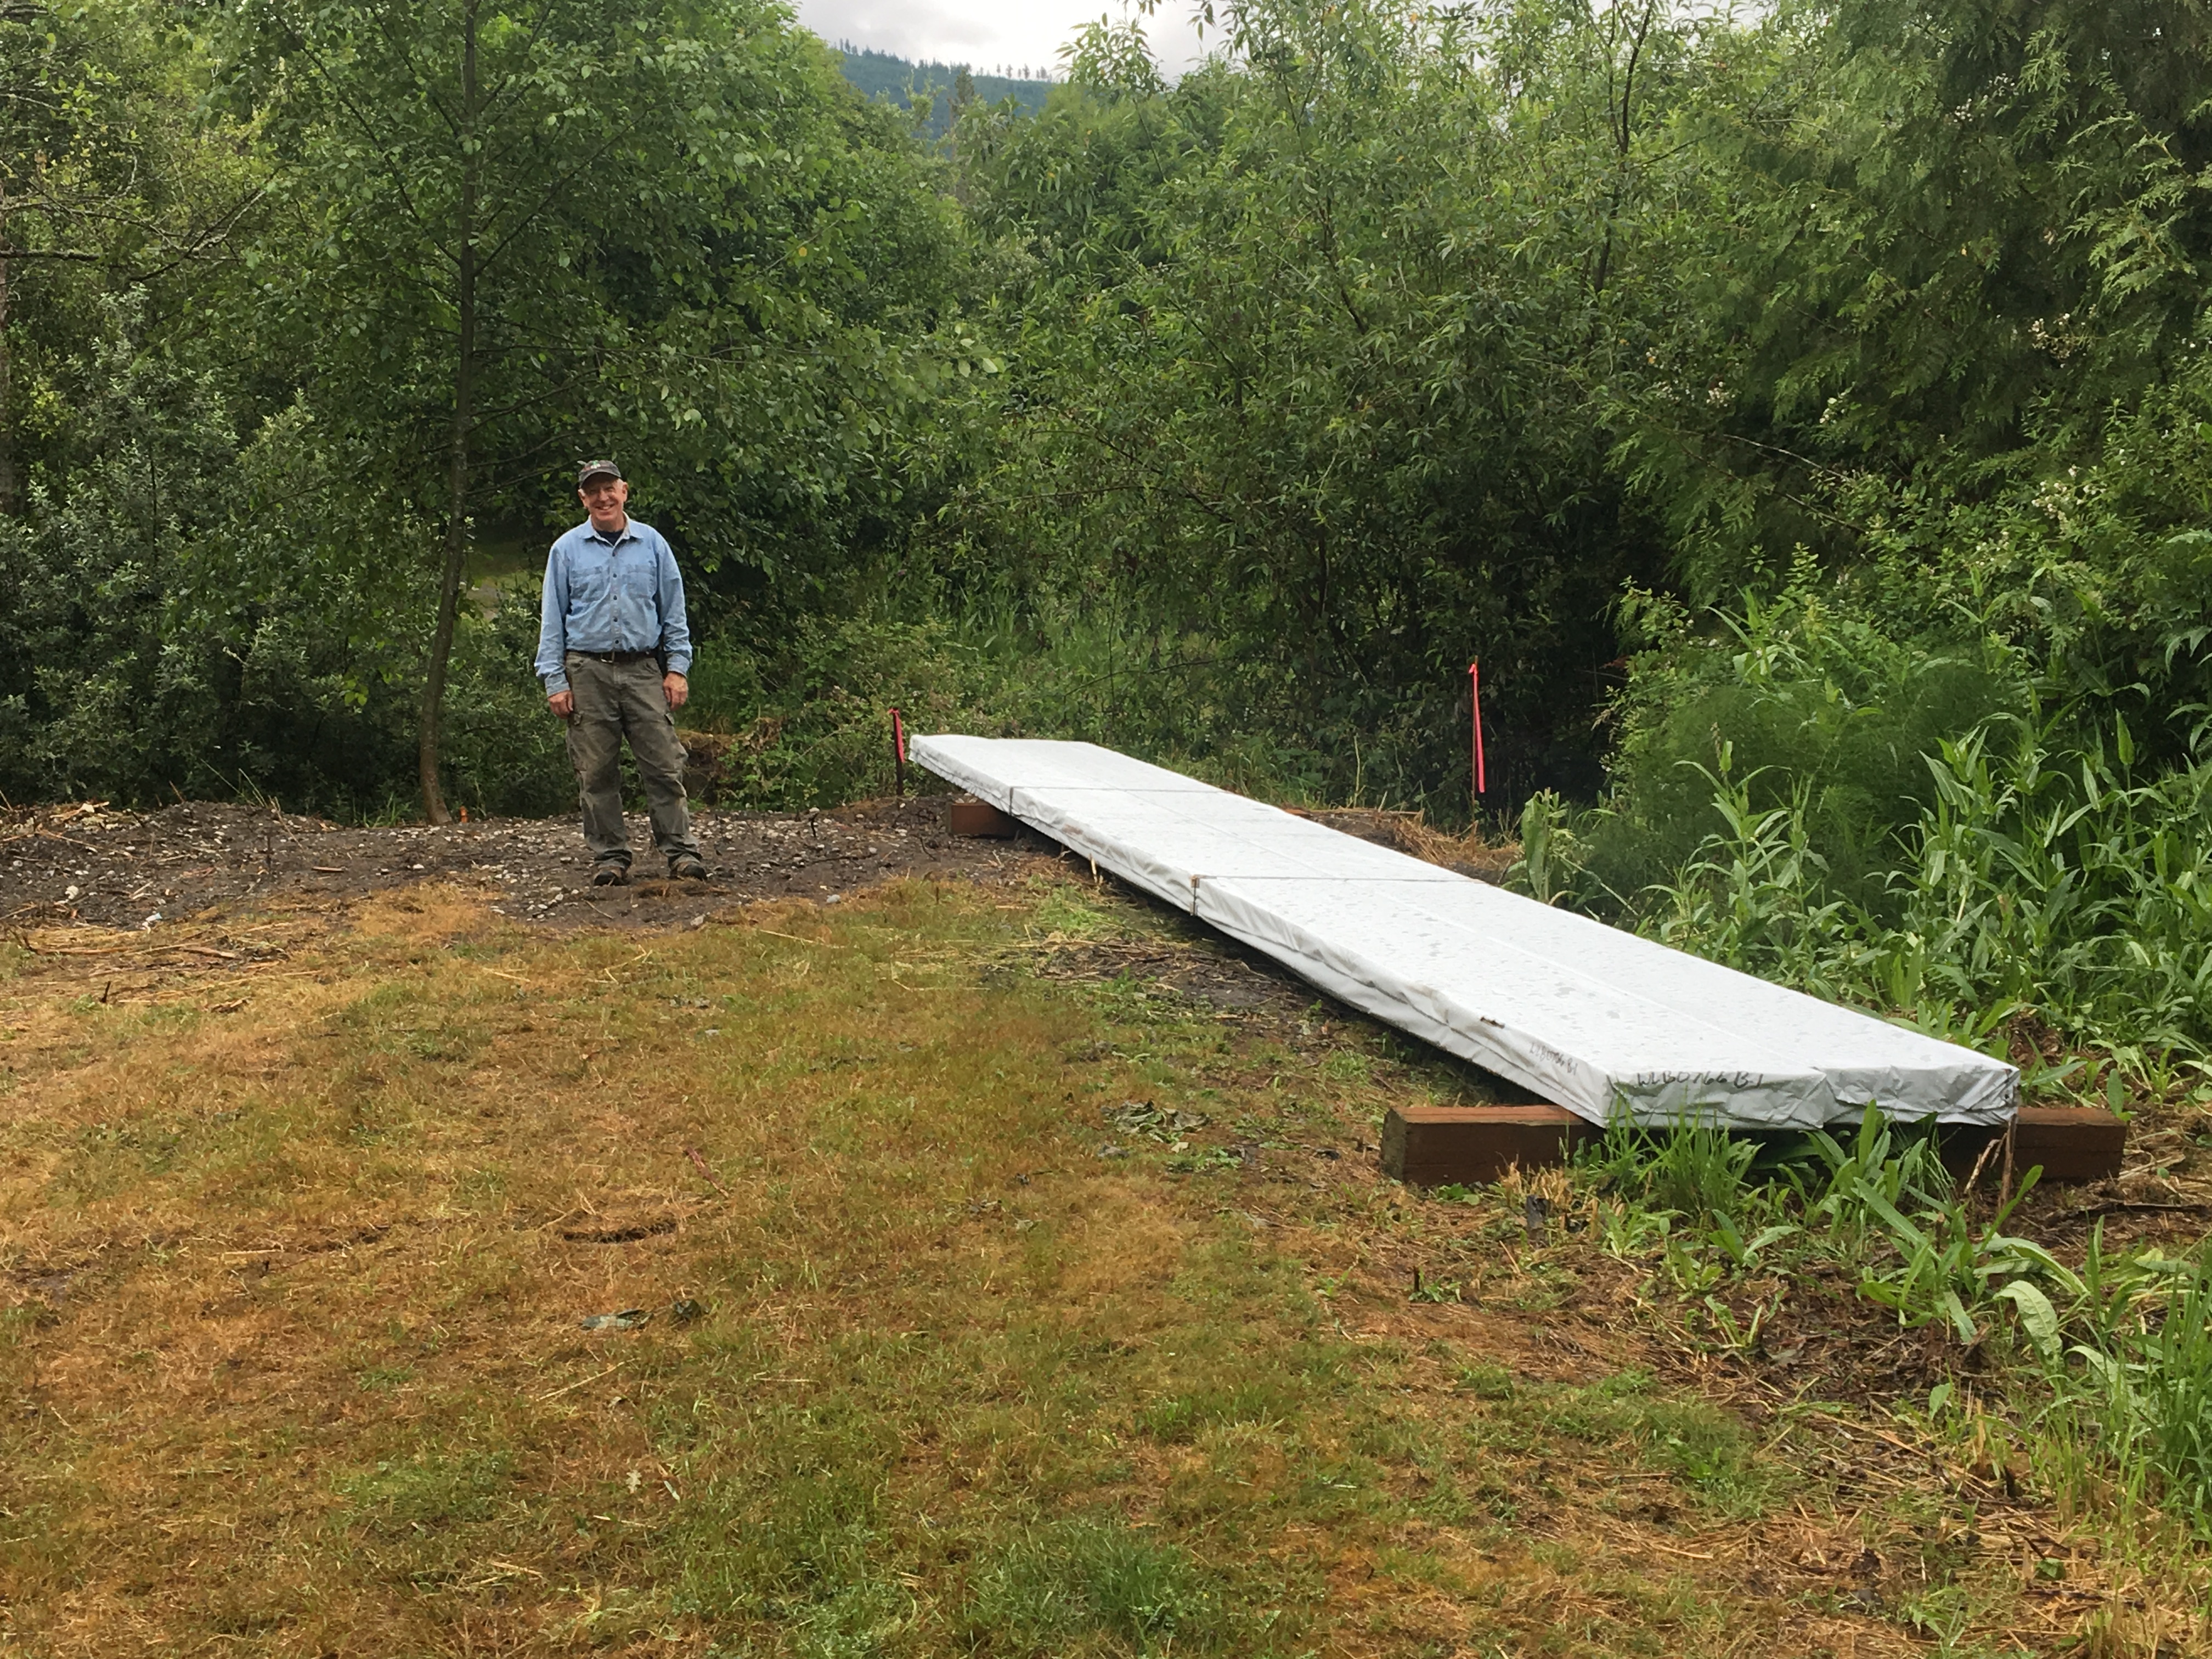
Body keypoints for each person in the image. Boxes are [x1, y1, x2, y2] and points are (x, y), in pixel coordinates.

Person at [535, 460, 708, 885]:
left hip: (644, 669)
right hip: (586, 671)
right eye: (593, 491)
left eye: (609, 488)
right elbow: (552, 620)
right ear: (583, 499)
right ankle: (611, 859)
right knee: (595, 771)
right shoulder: (566, 550)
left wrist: (677, 669)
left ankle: (681, 853)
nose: (603, 498)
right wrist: (555, 680)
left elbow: (674, 612)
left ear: (624, 491)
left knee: (664, 765)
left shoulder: (653, 545)